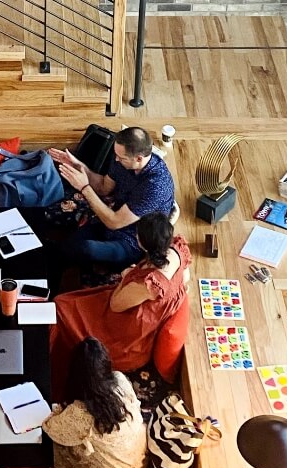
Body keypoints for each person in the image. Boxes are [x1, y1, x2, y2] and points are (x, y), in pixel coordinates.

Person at [49, 212, 191, 401]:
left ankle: (53, 374)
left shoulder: (149, 285)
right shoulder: (176, 252)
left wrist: (128, 275)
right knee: (69, 302)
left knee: (60, 306)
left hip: (126, 334)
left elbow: (116, 304)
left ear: (143, 242)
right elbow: (186, 280)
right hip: (140, 315)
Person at [49, 127, 174, 270]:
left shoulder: (156, 185)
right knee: (70, 245)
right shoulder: (121, 159)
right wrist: (78, 166)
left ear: (139, 158)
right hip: (111, 215)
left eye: (121, 158)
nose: (116, 159)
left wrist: (84, 188)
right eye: (116, 155)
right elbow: (103, 187)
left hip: (133, 239)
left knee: (86, 249)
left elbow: (114, 222)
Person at [42, 336, 147, 468]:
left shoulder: (81, 413)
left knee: (56, 446)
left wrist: (58, 410)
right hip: (137, 462)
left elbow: (50, 428)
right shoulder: (120, 380)